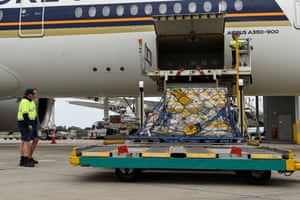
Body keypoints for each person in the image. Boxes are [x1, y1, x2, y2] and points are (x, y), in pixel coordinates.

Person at [17, 88, 38, 167]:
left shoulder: (30, 101)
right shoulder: (25, 102)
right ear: (29, 95)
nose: (35, 95)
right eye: (34, 94)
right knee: (26, 141)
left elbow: (33, 113)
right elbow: (25, 114)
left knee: (24, 141)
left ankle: (23, 159)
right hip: (24, 123)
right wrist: (29, 124)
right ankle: (25, 159)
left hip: (27, 123)